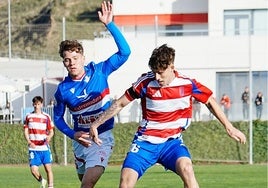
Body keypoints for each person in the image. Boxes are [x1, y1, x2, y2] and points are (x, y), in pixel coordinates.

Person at [89, 44, 246, 188]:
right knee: (126, 182)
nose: (157, 77)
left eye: (160, 72)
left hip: (172, 143)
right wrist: (96, 124)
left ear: (172, 67)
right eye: (155, 72)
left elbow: (210, 101)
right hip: (145, 143)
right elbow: (120, 103)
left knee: (187, 170)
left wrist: (229, 127)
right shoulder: (145, 82)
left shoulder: (187, 84)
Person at [53, 1, 131, 188]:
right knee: (84, 181)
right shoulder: (62, 90)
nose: (71, 63)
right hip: (81, 141)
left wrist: (109, 24)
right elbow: (57, 118)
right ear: (64, 62)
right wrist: (73, 134)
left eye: (75, 58)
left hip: (102, 137)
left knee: (87, 184)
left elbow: (125, 52)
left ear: (83, 58)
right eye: (67, 60)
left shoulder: (100, 71)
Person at [23, 96, 54, 188]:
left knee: (48, 169)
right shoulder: (29, 116)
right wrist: (29, 141)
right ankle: (42, 180)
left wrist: (49, 137)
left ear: (41, 105)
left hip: (44, 147)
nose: (37, 106)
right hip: (33, 148)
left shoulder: (46, 117)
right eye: (35, 104)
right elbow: (25, 131)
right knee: (33, 170)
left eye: (38, 104)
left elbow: (51, 131)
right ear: (33, 104)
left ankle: (50, 186)